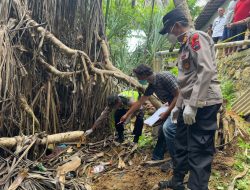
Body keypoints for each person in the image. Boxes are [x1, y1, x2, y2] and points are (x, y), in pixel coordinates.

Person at [158, 8, 223, 190]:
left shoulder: (196, 38)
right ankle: (177, 181)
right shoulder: (184, 46)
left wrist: (193, 105)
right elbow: (185, 82)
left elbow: (206, 70)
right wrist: (178, 107)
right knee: (181, 144)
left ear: (177, 26)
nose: (168, 35)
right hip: (188, 103)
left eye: (169, 31)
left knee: (199, 150)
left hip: (205, 102)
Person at [119, 64, 179, 171]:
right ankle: (157, 157)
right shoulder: (152, 86)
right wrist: (126, 114)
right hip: (172, 106)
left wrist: (166, 113)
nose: (138, 79)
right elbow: (140, 102)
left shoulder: (164, 77)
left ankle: (177, 161)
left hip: (183, 104)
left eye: (138, 77)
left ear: (144, 74)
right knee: (162, 130)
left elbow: (179, 95)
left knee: (168, 128)